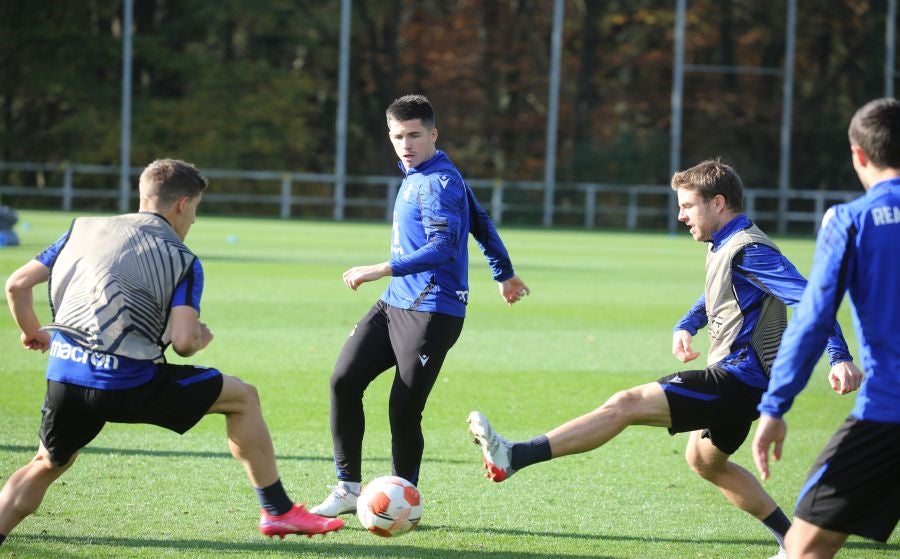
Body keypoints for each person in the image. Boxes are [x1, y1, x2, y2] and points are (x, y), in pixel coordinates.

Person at [468, 159, 863, 559]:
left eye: (688, 205)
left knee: (626, 404)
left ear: (718, 202)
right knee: (705, 462)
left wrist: (839, 356)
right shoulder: (725, 242)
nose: (680, 215)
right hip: (736, 382)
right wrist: (687, 323)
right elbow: (718, 293)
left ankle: (515, 456)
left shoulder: (750, 249)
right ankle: (793, 543)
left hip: (740, 381)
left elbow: (812, 299)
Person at [0, 159, 343, 548]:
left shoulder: (83, 229)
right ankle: (278, 511)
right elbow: (182, 344)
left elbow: (16, 285)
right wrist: (199, 336)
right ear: (182, 204)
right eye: (195, 209)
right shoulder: (181, 259)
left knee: (45, 463)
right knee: (243, 398)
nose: (194, 220)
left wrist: (33, 333)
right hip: (130, 383)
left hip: (66, 376)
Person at [310, 94, 530, 517]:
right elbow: (481, 221)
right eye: (398, 136)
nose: (406, 144)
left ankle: (403, 500)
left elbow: (445, 247)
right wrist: (503, 272)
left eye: (414, 135)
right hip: (395, 304)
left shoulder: (438, 182)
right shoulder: (421, 173)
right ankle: (349, 487)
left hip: (433, 311)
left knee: (403, 409)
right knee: (343, 380)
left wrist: (380, 268)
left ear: (433, 134)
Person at [752, 98, 900, 558]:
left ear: (858, 154)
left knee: (804, 548)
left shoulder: (851, 220)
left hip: (889, 414)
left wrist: (775, 406)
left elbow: (813, 320)